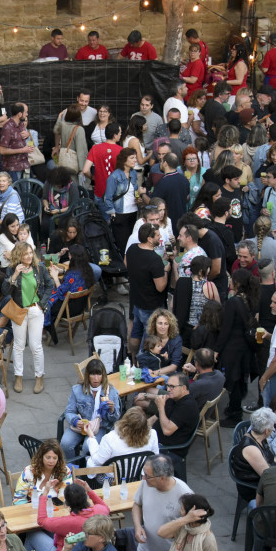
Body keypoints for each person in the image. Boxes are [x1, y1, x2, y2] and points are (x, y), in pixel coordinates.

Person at [132, 455, 193, 551]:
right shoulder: (146, 483)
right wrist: (138, 526)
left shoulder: (184, 495)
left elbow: (193, 528)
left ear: (162, 478)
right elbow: (137, 504)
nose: (143, 477)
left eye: (147, 475)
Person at [26, 481, 109, 551]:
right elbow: (105, 506)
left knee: (33, 534)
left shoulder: (68, 522)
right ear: (86, 497)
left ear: (67, 503)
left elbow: (41, 520)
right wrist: (89, 489)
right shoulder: (100, 511)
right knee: (48, 531)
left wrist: (45, 491)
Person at [8, 242, 54, 394]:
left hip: (35, 310)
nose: (28, 256)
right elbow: (4, 290)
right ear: (18, 256)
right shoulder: (12, 269)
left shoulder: (39, 267)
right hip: (19, 310)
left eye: (30, 253)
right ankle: (18, 376)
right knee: (19, 345)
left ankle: (39, 376)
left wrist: (42, 303)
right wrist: (14, 275)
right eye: (25, 254)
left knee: (36, 346)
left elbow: (50, 284)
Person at [125, 225, 170, 353]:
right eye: (157, 235)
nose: (160, 237)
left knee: (135, 333)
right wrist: (165, 271)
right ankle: (141, 363)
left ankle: (132, 358)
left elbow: (126, 264)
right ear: (150, 239)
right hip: (151, 305)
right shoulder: (154, 259)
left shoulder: (132, 249)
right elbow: (160, 287)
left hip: (136, 300)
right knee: (148, 340)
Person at [62, 357, 121, 455]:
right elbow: (69, 411)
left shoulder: (111, 392)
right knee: (65, 444)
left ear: (103, 375)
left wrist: (112, 410)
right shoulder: (77, 390)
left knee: (88, 447)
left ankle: (86, 468)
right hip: (81, 426)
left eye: (99, 374)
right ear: (87, 375)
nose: (96, 378)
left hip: (101, 427)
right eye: (92, 374)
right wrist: (76, 421)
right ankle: (73, 467)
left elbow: (116, 418)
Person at [44, 245, 94, 342]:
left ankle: (45, 329)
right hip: (81, 308)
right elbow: (73, 279)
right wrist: (62, 271)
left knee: (43, 299)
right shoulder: (88, 270)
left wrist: (55, 276)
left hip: (67, 309)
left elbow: (61, 293)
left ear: (72, 257)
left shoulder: (72, 275)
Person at [84, 406, 159, 468]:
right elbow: (155, 457)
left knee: (91, 463)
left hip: (114, 480)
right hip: (139, 477)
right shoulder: (152, 434)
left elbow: (98, 461)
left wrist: (91, 437)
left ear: (124, 421)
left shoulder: (110, 438)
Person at [231, 407, 276, 505]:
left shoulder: (260, 436)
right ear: (266, 430)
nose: (274, 428)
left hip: (263, 479)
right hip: (253, 488)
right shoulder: (251, 449)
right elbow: (268, 476)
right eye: (273, 426)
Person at [106, 148, 148, 250]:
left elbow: (135, 190)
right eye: (132, 158)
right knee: (123, 243)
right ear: (124, 160)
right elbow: (107, 197)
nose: (135, 160)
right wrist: (112, 214)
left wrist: (138, 198)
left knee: (132, 241)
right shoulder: (114, 176)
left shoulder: (133, 173)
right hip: (120, 214)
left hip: (133, 211)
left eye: (135, 157)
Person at [13, 439, 73, 505]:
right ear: (41, 457)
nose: (51, 461)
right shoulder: (28, 472)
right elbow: (18, 500)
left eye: (54, 458)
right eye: (48, 457)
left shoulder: (64, 472)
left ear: (58, 459)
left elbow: (66, 498)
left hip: (57, 511)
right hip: (33, 511)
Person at [0, 102, 33, 181]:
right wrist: (23, 150)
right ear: (20, 114)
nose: (27, 114)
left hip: (24, 165)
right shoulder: (7, 127)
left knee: (25, 192)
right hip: (13, 168)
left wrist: (28, 135)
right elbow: (2, 150)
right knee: (15, 191)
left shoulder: (21, 125)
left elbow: (22, 142)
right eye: (26, 112)